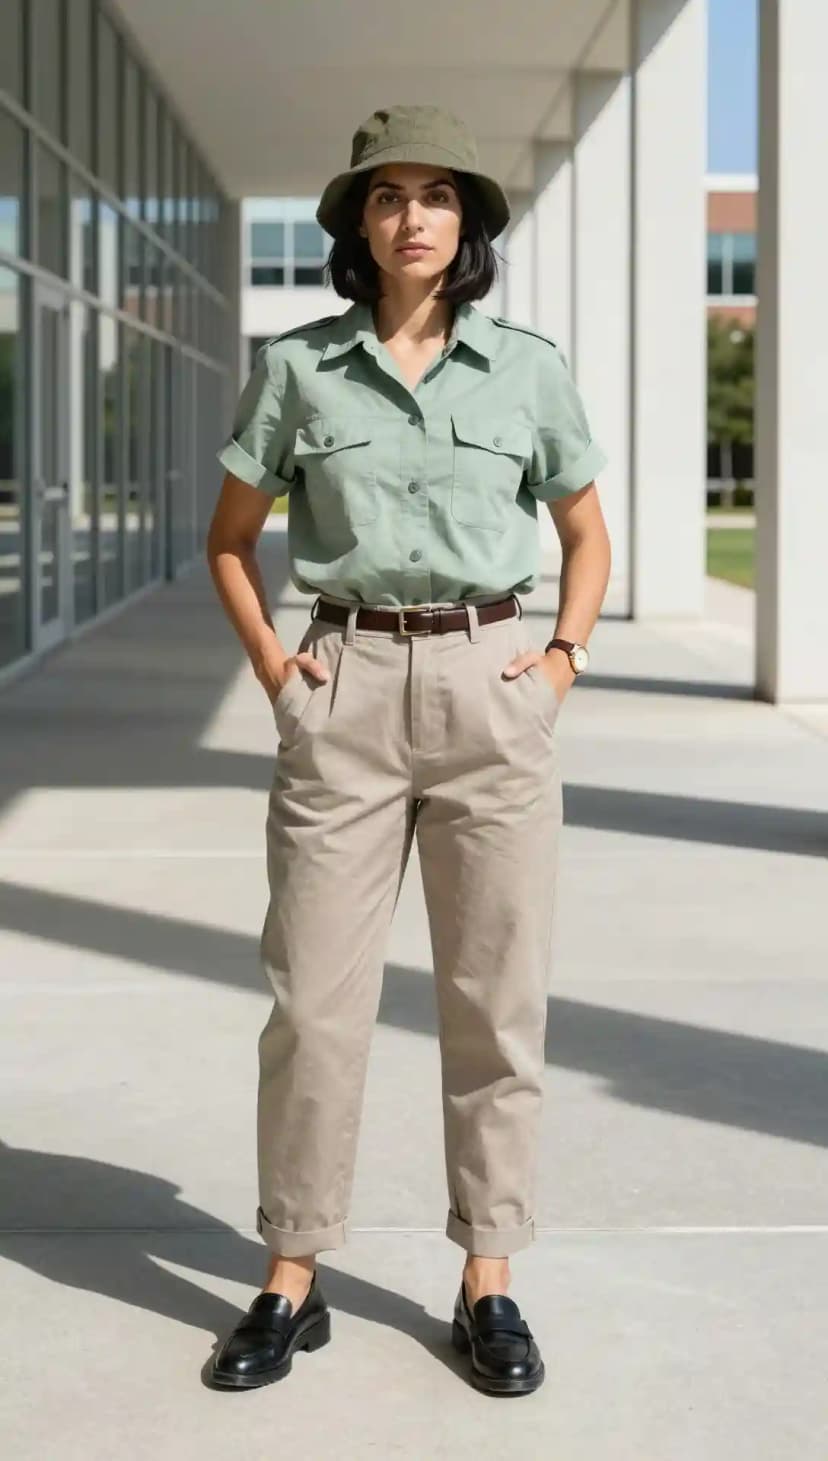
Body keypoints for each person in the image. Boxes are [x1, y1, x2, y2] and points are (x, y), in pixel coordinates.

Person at [205, 104, 611, 1396]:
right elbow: (229, 536)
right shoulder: (300, 370)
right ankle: (291, 1270)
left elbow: (589, 536)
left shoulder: (528, 371)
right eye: (389, 197)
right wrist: (281, 671)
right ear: (359, 225)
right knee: (315, 1001)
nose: (414, 217)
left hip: (494, 692)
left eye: (439, 196)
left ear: (469, 226)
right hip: (349, 688)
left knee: (495, 1003)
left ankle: (488, 1274)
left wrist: (557, 667)